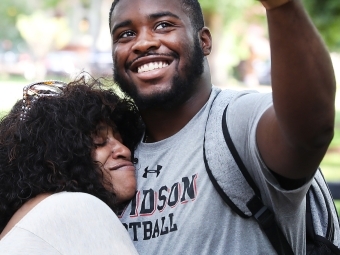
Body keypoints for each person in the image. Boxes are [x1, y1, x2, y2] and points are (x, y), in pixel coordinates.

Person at [109, 0, 337, 254]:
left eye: (163, 25)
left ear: (204, 41)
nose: (143, 43)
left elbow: (309, 130)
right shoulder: (113, 149)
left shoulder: (236, 120)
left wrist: (282, 7)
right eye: (126, 34)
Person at [0, 78, 143, 254]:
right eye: (98, 142)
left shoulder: (23, 220)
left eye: (120, 139)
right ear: (57, 158)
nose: (124, 150)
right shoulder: (78, 207)